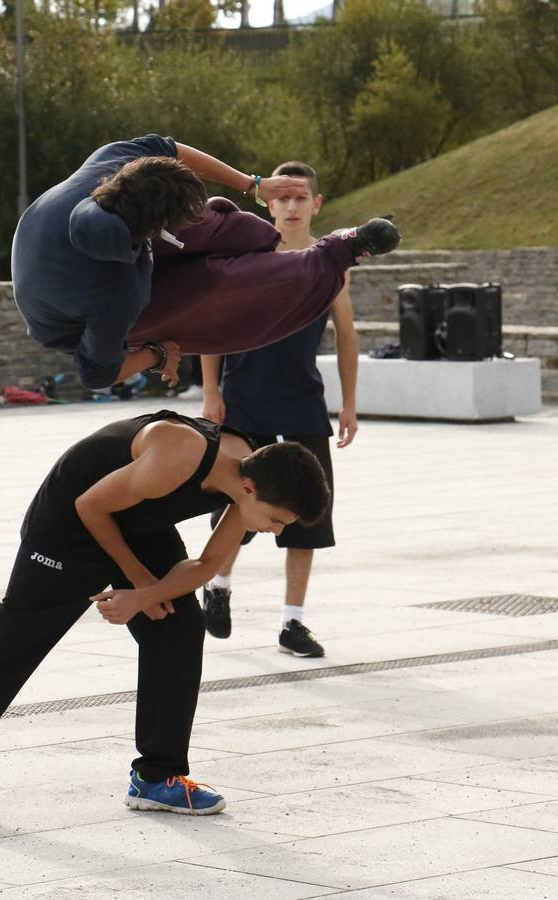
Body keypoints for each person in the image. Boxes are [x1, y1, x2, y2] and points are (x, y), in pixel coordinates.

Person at [0, 409, 330, 818]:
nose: (276, 531)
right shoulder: (180, 453)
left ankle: (157, 777)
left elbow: (206, 566)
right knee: (19, 634)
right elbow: (90, 505)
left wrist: (147, 595)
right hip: (71, 518)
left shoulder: (251, 476)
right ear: (250, 488)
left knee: (180, 625)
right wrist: (139, 581)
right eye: (276, 520)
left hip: (138, 523)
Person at [10, 134, 396, 391]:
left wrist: (252, 184)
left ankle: (260, 244)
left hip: (83, 252)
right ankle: (335, 254)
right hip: (70, 322)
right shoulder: (118, 297)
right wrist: (158, 353)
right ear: (155, 232)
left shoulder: (114, 162)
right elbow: (96, 374)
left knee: (205, 221)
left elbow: (172, 149)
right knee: (213, 283)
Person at [199, 161, 358, 659]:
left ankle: (293, 622)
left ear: (316, 204)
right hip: (244, 400)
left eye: (300, 196)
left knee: (309, 514)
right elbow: (212, 324)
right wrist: (211, 391)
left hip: (302, 403)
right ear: (268, 204)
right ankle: (217, 585)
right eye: (282, 197)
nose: (291, 205)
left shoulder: (330, 262)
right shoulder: (247, 255)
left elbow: (347, 334)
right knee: (237, 503)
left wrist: (350, 403)